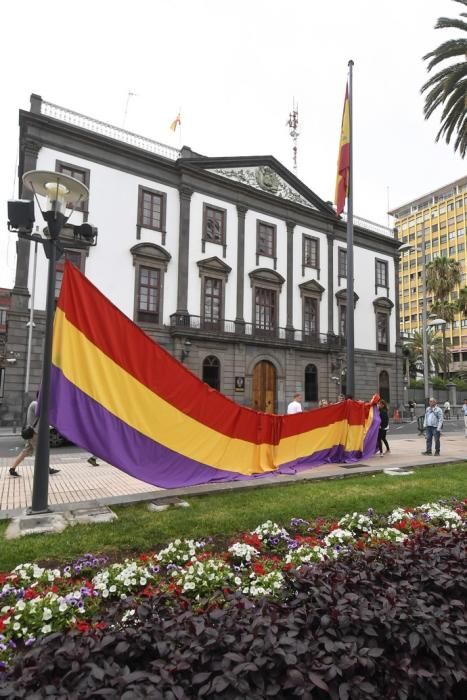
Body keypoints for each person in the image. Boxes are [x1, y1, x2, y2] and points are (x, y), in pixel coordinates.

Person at [9, 398, 60, 477]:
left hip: (32, 432)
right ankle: (47, 469)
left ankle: (12, 469)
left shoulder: (34, 404)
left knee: (25, 451)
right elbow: (43, 414)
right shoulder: (35, 405)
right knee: (41, 452)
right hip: (35, 434)